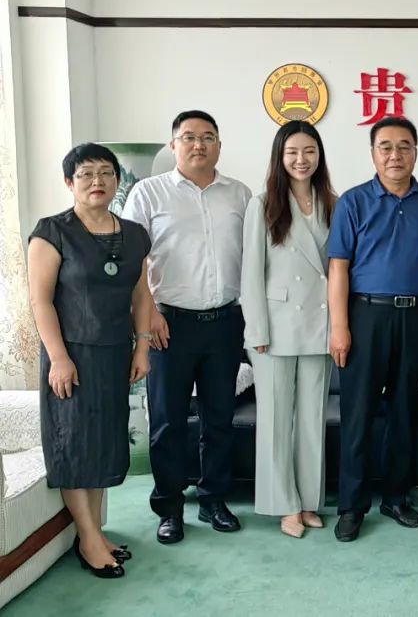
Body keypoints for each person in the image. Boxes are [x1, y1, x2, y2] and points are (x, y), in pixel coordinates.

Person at [122, 110, 252, 545]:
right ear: (173, 144)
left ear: (219, 145)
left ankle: (214, 500)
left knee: (219, 419)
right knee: (167, 422)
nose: (199, 145)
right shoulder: (148, 192)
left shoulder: (239, 194)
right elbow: (133, 259)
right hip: (168, 323)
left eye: (208, 137)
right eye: (190, 137)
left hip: (225, 322)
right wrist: (149, 313)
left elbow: (252, 258)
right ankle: (170, 509)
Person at [27, 143, 153, 578]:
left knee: (102, 442)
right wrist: (58, 359)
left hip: (115, 352)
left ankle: (95, 531)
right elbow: (40, 302)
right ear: (70, 183)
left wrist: (142, 347)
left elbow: (141, 294)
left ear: (116, 180)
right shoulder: (52, 232)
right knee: (75, 444)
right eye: (85, 174)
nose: (96, 181)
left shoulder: (134, 233)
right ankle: (88, 539)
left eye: (105, 172)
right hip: (72, 355)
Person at [328, 116, 418, 542]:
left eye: (404, 146)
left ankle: (396, 498)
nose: (396, 155)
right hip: (366, 316)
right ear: (374, 153)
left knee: (404, 411)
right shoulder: (353, 201)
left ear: (416, 152)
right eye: (386, 147)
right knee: (357, 414)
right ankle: (352, 505)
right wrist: (339, 327)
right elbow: (338, 268)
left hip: (416, 317)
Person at [240, 121, 336, 538]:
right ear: (279, 157)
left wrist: (339, 327)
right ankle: (284, 505)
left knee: (312, 419)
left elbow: (338, 270)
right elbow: (250, 273)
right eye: (292, 152)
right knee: (276, 419)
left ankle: (309, 500)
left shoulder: (333, 203)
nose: (301, 159)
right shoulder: (262, 204)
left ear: (320, 156)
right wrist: (256, 330)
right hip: (275, 327)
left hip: (320, 324)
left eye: (309, 151)